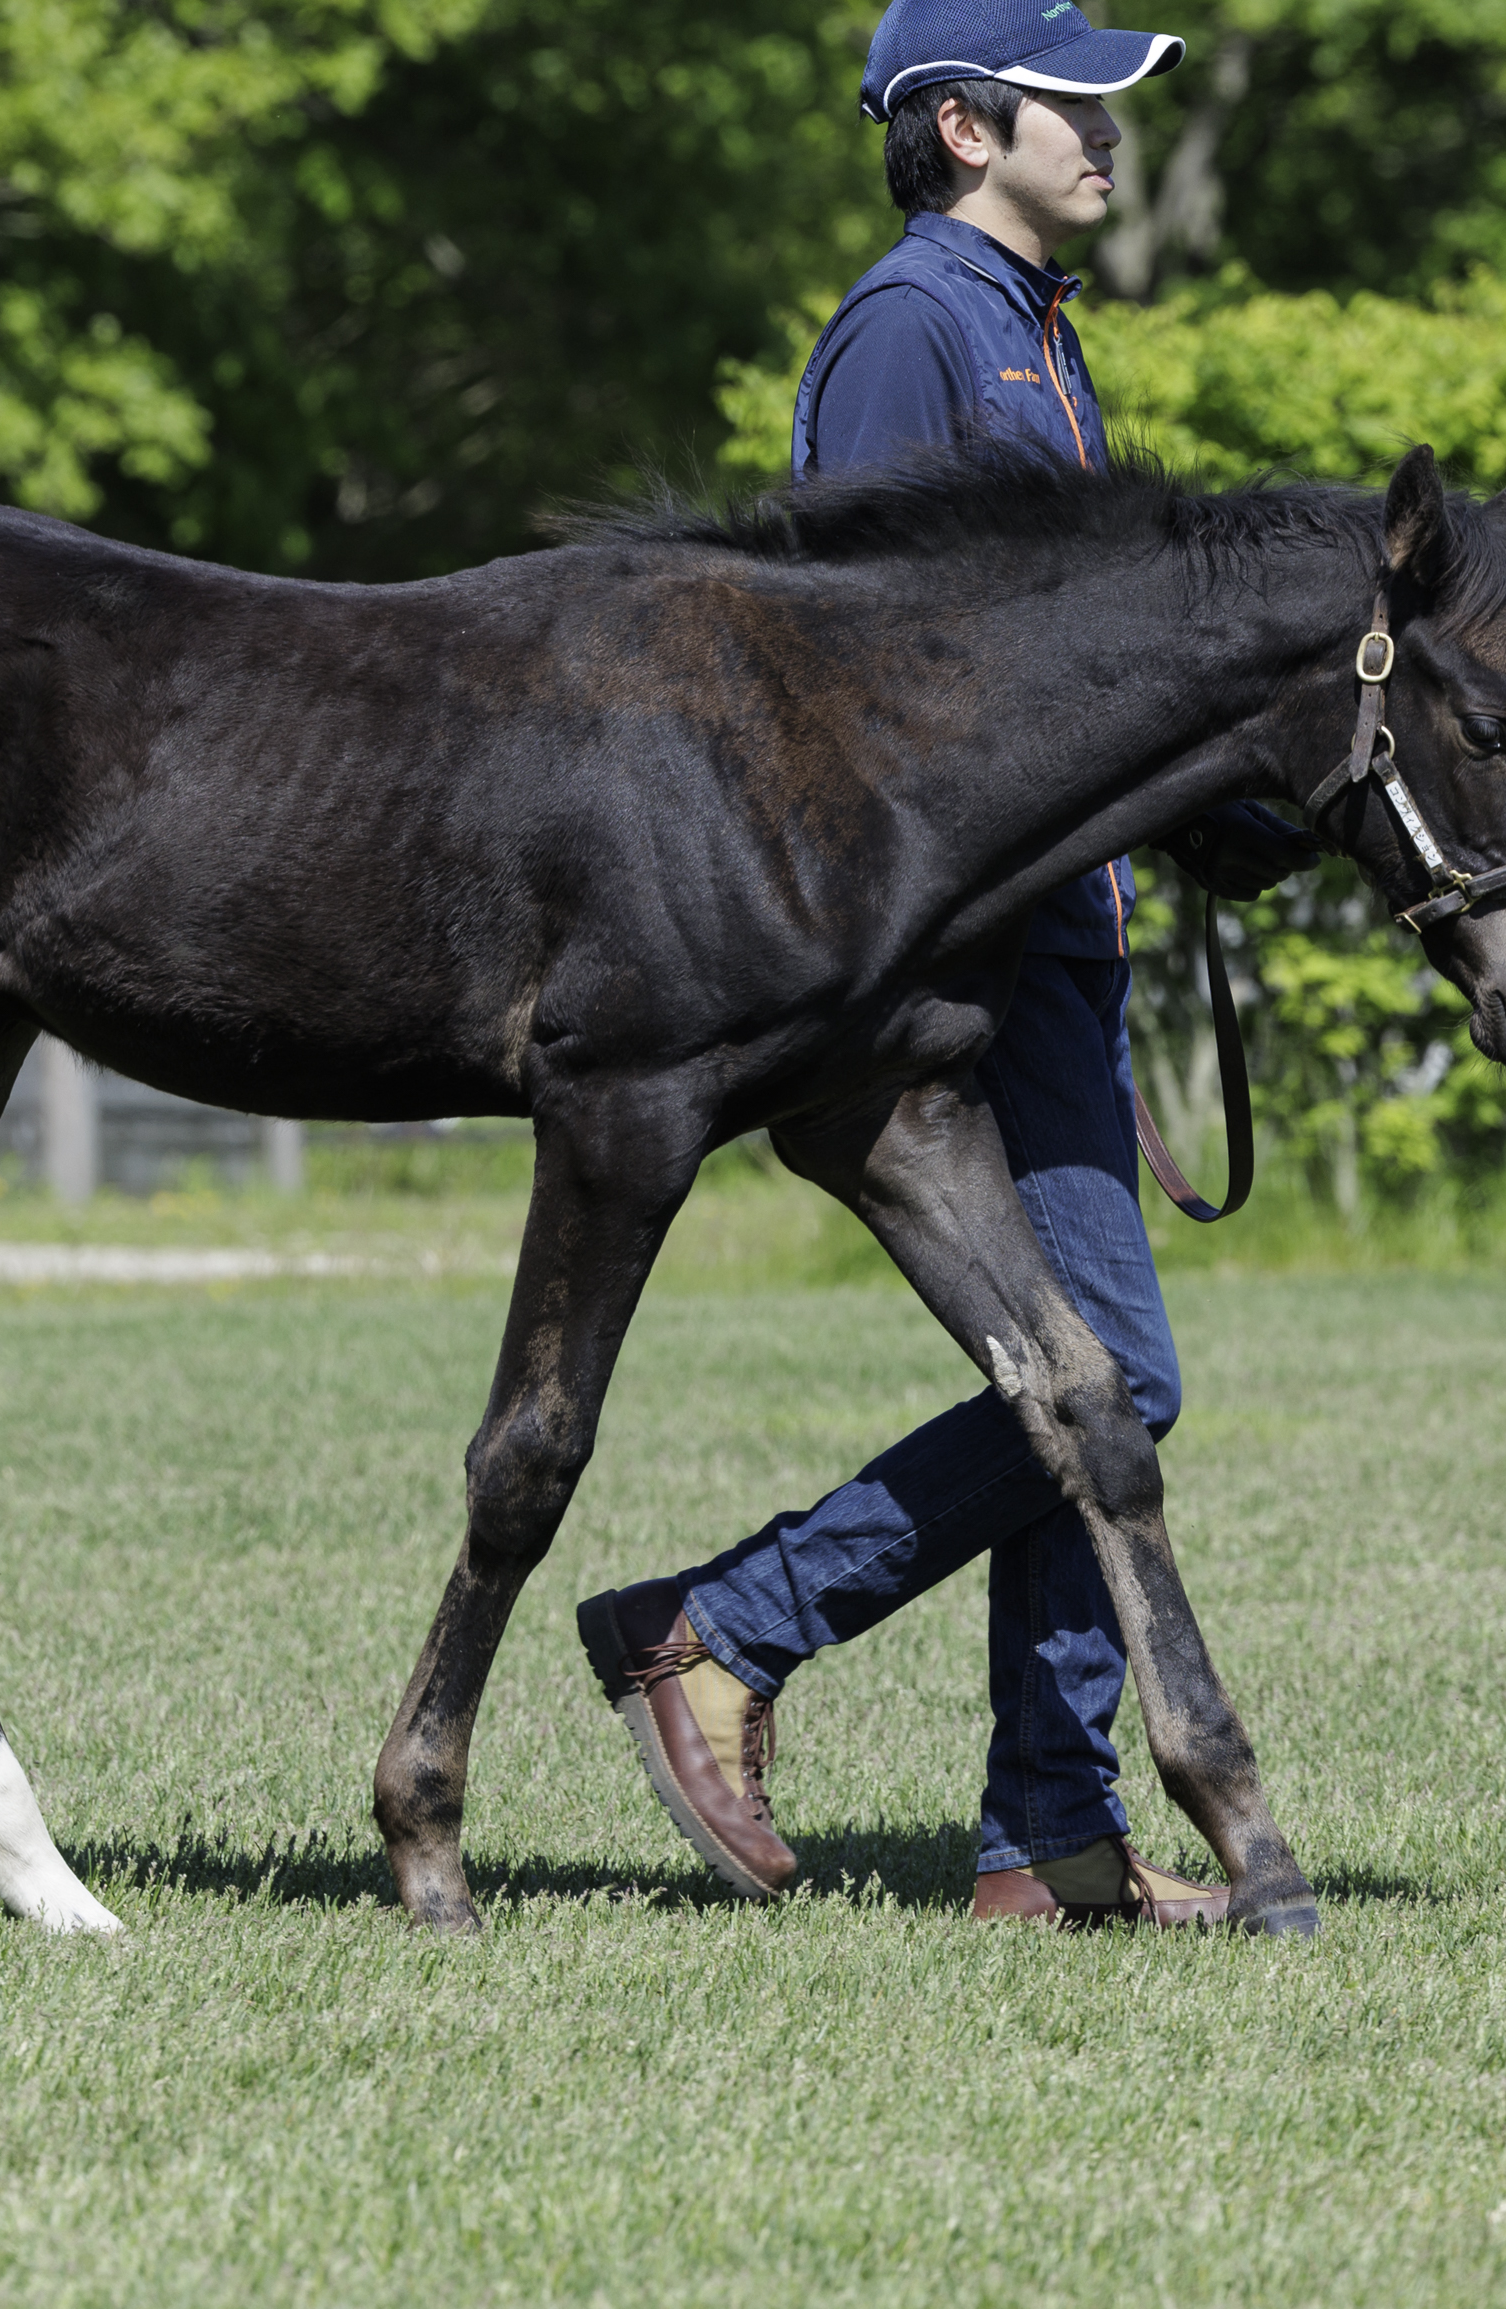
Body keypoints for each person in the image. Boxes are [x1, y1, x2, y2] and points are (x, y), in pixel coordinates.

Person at [575, 0, 1319, 1928]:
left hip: (1064, 938)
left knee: (1096, 1385)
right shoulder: (911, 330)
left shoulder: (1039, 331)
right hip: (962, 963)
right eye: (1081, 106)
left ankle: (1047, 1835)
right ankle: (722, 1630)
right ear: (970, 126)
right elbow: (860, 671)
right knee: (1113, 1383)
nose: (1112, 136)